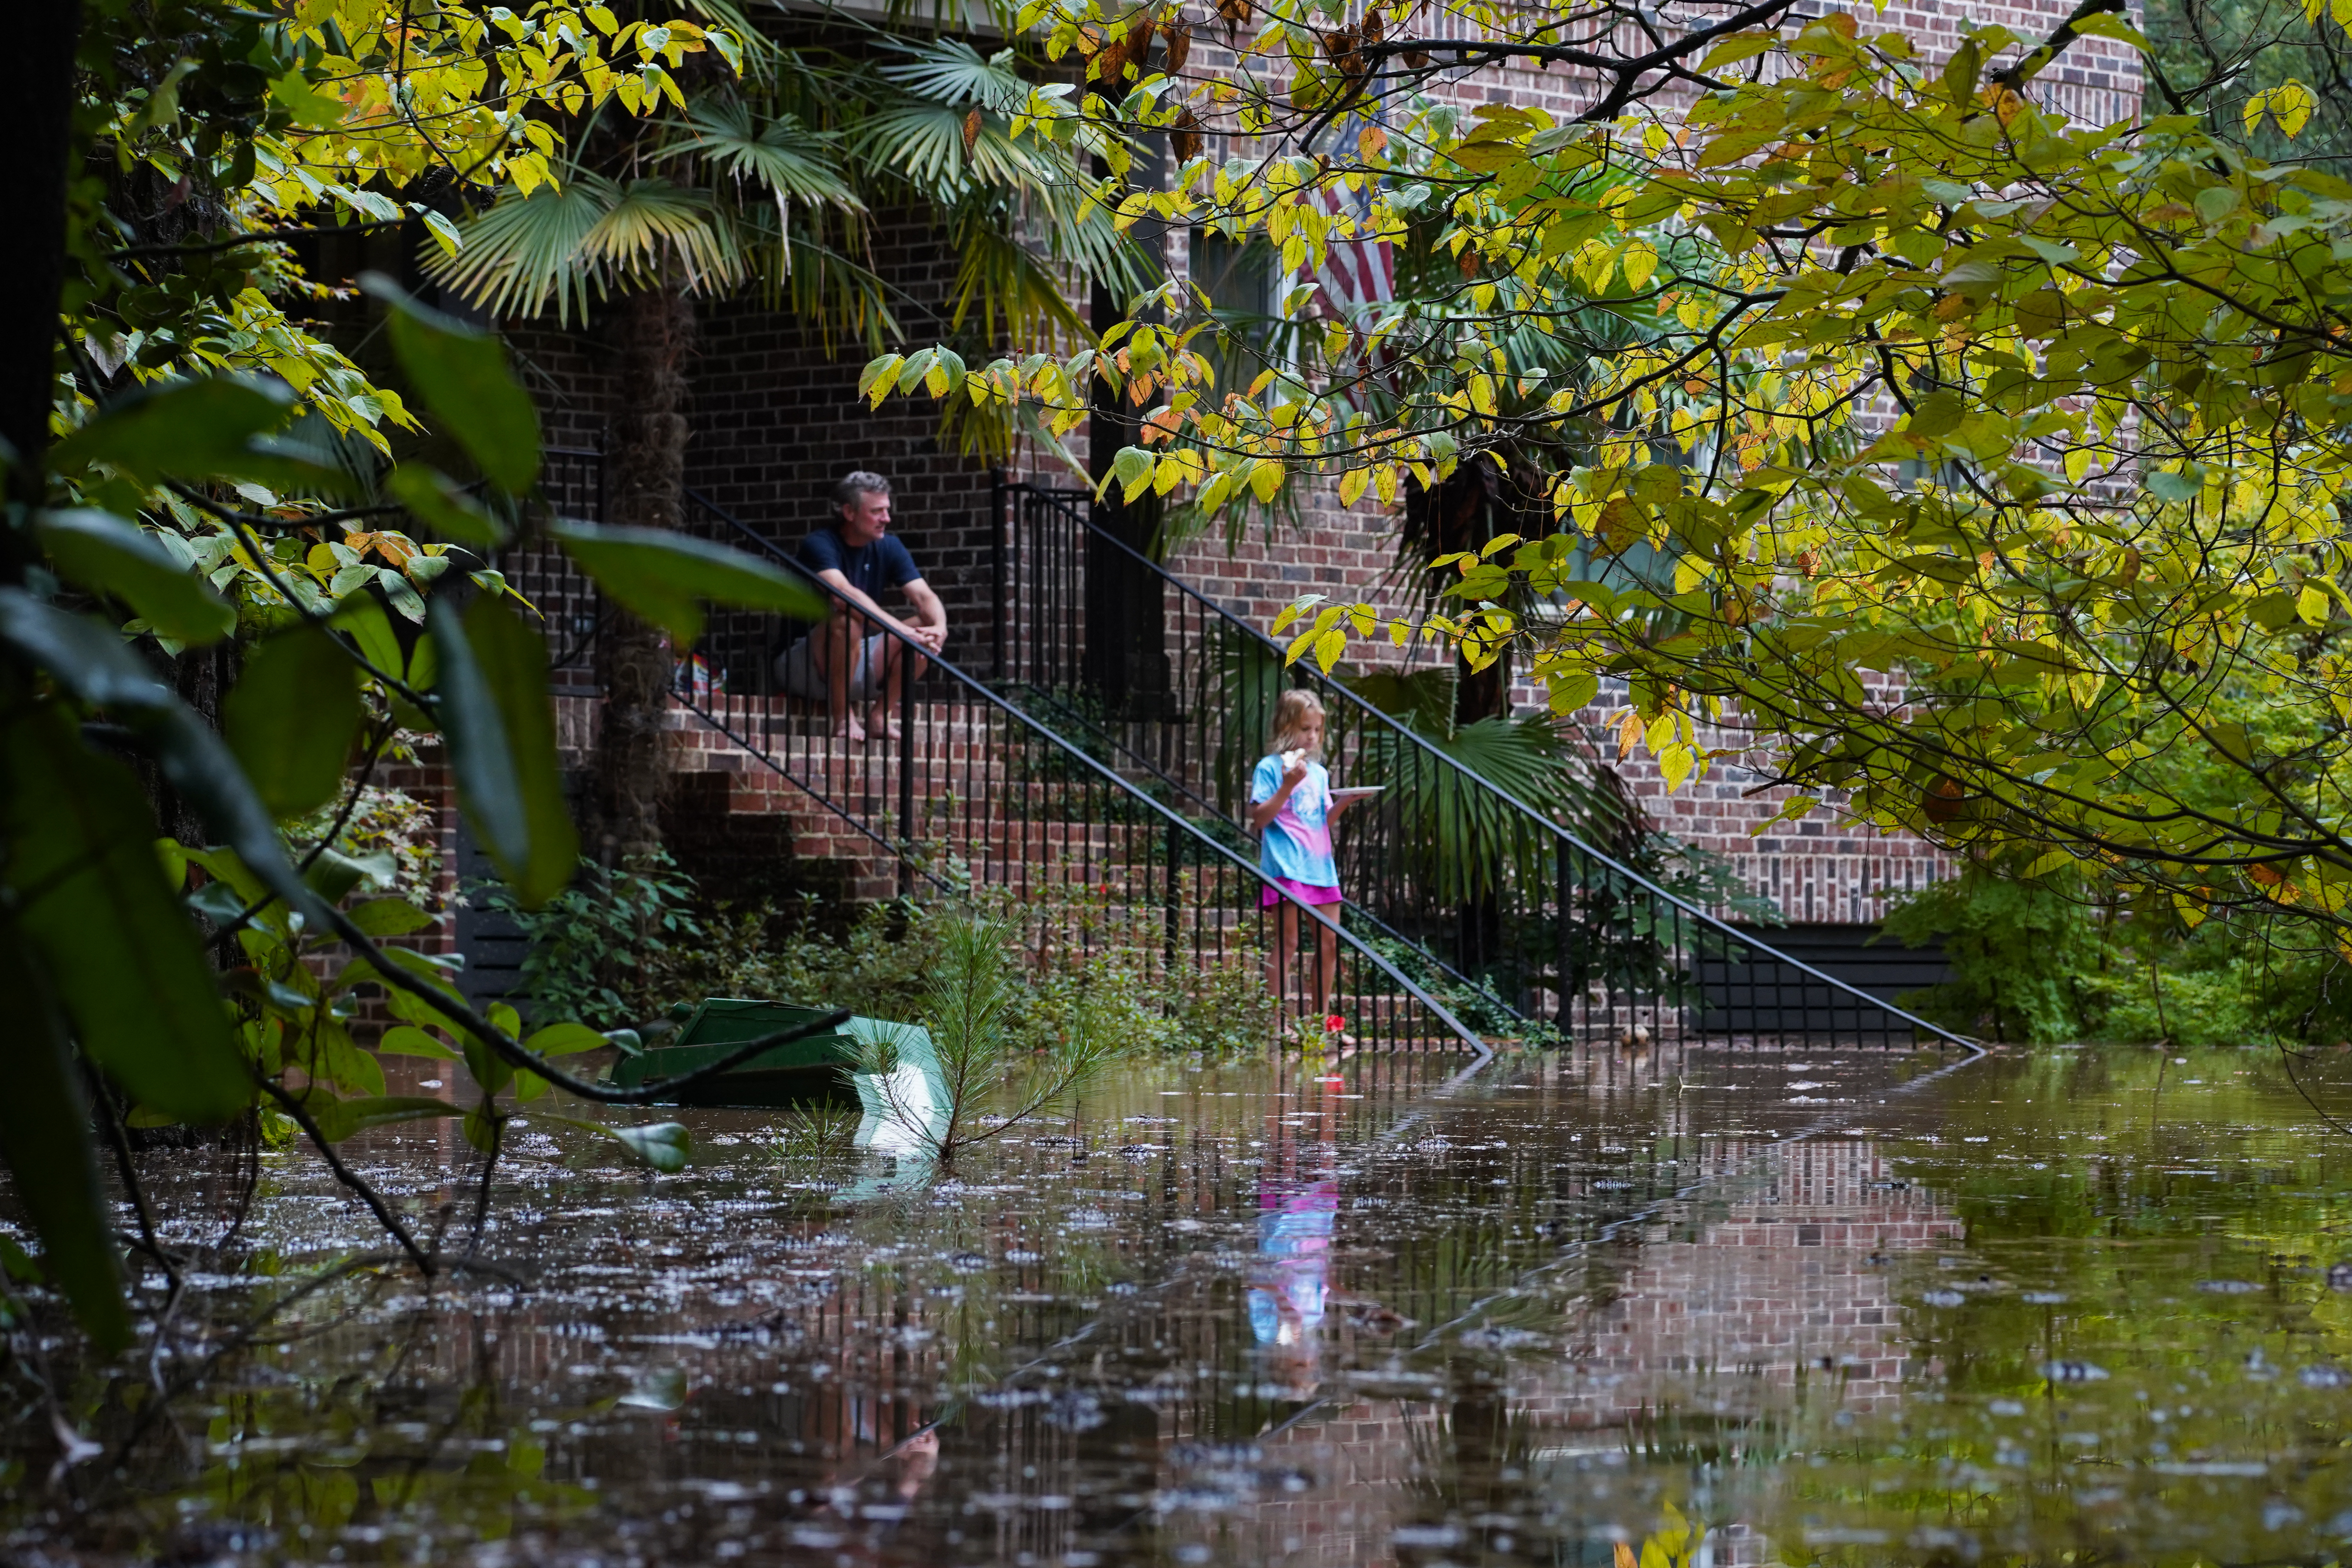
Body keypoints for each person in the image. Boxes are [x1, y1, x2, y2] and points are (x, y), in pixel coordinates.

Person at [774, 472, 947, 741]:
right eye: (877, 512)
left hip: (854, 658)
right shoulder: (819, 545)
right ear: (849, 512)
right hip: (802, 663)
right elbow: (843, 595)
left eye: (887, 510)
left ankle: (879, 717)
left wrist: (939, 627)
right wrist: (902, 630)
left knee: (925, 632)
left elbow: (925, 598)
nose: (886, 519)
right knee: (846, 621)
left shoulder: (889, 546)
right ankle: (842, 718)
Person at [1246, 689, 1366, 1025]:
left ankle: (1321, 1024)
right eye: (1304, 728)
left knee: (1329, 943)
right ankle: (1276, 1025)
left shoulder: (1319, 773)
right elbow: (1259, 819)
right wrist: (1286, 786)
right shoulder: (1269, 769)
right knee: (1288, 943)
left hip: (1320, 869)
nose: (1312, 736)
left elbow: (1321, 822)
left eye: (1317, 730)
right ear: (1286, 727)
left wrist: (1344, 802)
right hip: (1285, 868)